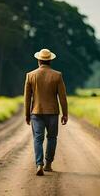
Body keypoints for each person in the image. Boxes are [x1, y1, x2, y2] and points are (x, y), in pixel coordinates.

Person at [24, 48, 68, 176]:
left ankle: (39, 164)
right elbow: (62, 97)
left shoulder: (30, 75)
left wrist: (27, 115)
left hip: (36, 112)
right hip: (53, 112)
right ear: (50, 61)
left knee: (38, 138)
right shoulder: (57, 75)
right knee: (52, 138)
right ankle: (48, 164)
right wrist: (65, 114)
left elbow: (27, 98)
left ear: (39, 60)